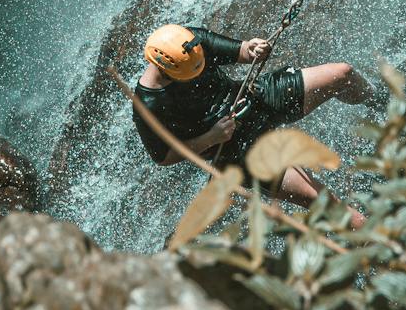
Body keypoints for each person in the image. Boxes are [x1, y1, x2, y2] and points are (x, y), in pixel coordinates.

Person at [133, 23, 372, 210]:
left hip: (254, 100)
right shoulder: (148, 105)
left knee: (343, 74)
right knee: (324, 202)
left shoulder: (189, 42)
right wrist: (211, 138)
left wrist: (253, 48)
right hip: (237, 151)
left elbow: (243, 52)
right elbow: (163, 157)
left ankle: (385, 103)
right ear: (166, 70)